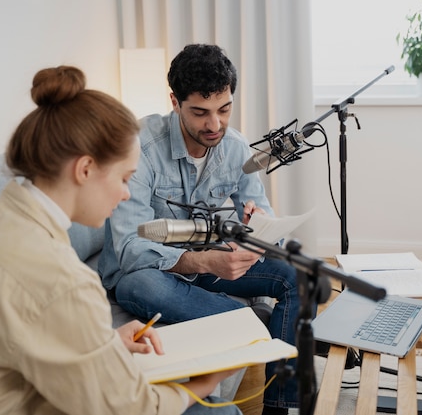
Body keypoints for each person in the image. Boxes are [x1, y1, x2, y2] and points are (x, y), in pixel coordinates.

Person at [0, 65, 242, 415]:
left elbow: (14, 330)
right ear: (85, 169)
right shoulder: (64, 281)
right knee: (216, 409)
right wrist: (203, 383)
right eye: (124, 178)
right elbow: (130, 408)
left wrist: (104, 343)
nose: (126, 195)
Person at [98, 44, 303, 415]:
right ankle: (246, 327)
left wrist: (257, 230)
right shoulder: (139, 149)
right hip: (144, 273)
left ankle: (277, 406)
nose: (214, 125)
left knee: (296, 277)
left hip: (210, 261)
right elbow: (129, 249)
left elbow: (264, 214)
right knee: (142, 283)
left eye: (224, 110)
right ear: (175, 102)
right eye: (200, 113)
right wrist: (206, 262)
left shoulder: (236, 146)